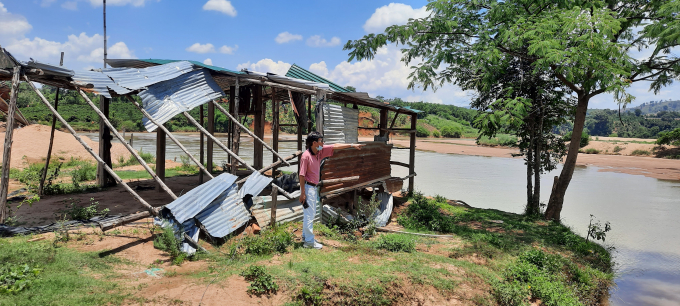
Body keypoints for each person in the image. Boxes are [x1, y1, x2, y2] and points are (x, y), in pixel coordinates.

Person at [299, 131, 363, 249]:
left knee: (310, 214)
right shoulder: (306, 156)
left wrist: (352, 145)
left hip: (313, 187)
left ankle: (306, 237)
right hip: (308, 188)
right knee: (310, 215)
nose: (323, 143)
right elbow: (301, 175)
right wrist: (302, 193)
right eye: (321, 141)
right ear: (314, 143)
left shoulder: (319, 152)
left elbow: (335, 146)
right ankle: (308, 242)